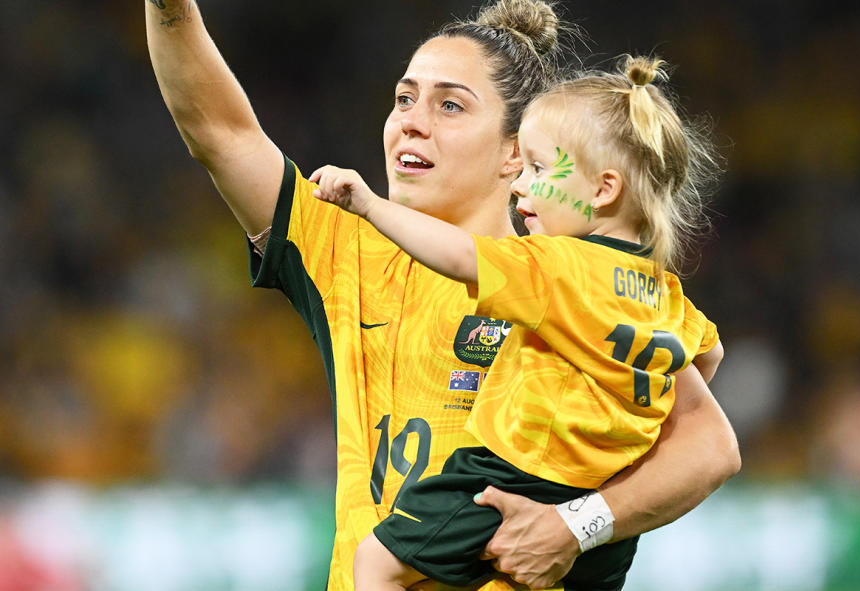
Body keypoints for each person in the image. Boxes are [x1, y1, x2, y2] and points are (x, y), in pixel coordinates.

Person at [144, 0, 740, 589]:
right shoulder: (344, 250)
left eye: (449, 105)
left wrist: (574, 525)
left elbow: (706, 444)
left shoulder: (568, 279)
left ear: (516, 150)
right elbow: (218, 131)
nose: (412, 120)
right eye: (404, 99)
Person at [311, 55, 723, 590]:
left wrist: (368, 205)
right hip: (601, 511)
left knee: (374, 564)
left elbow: (460, 256)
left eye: (539, 169)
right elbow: (707, 357)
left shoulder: (557, 265)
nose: (521, 186)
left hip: (511, 475)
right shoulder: (666, 293)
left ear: (603, 190)